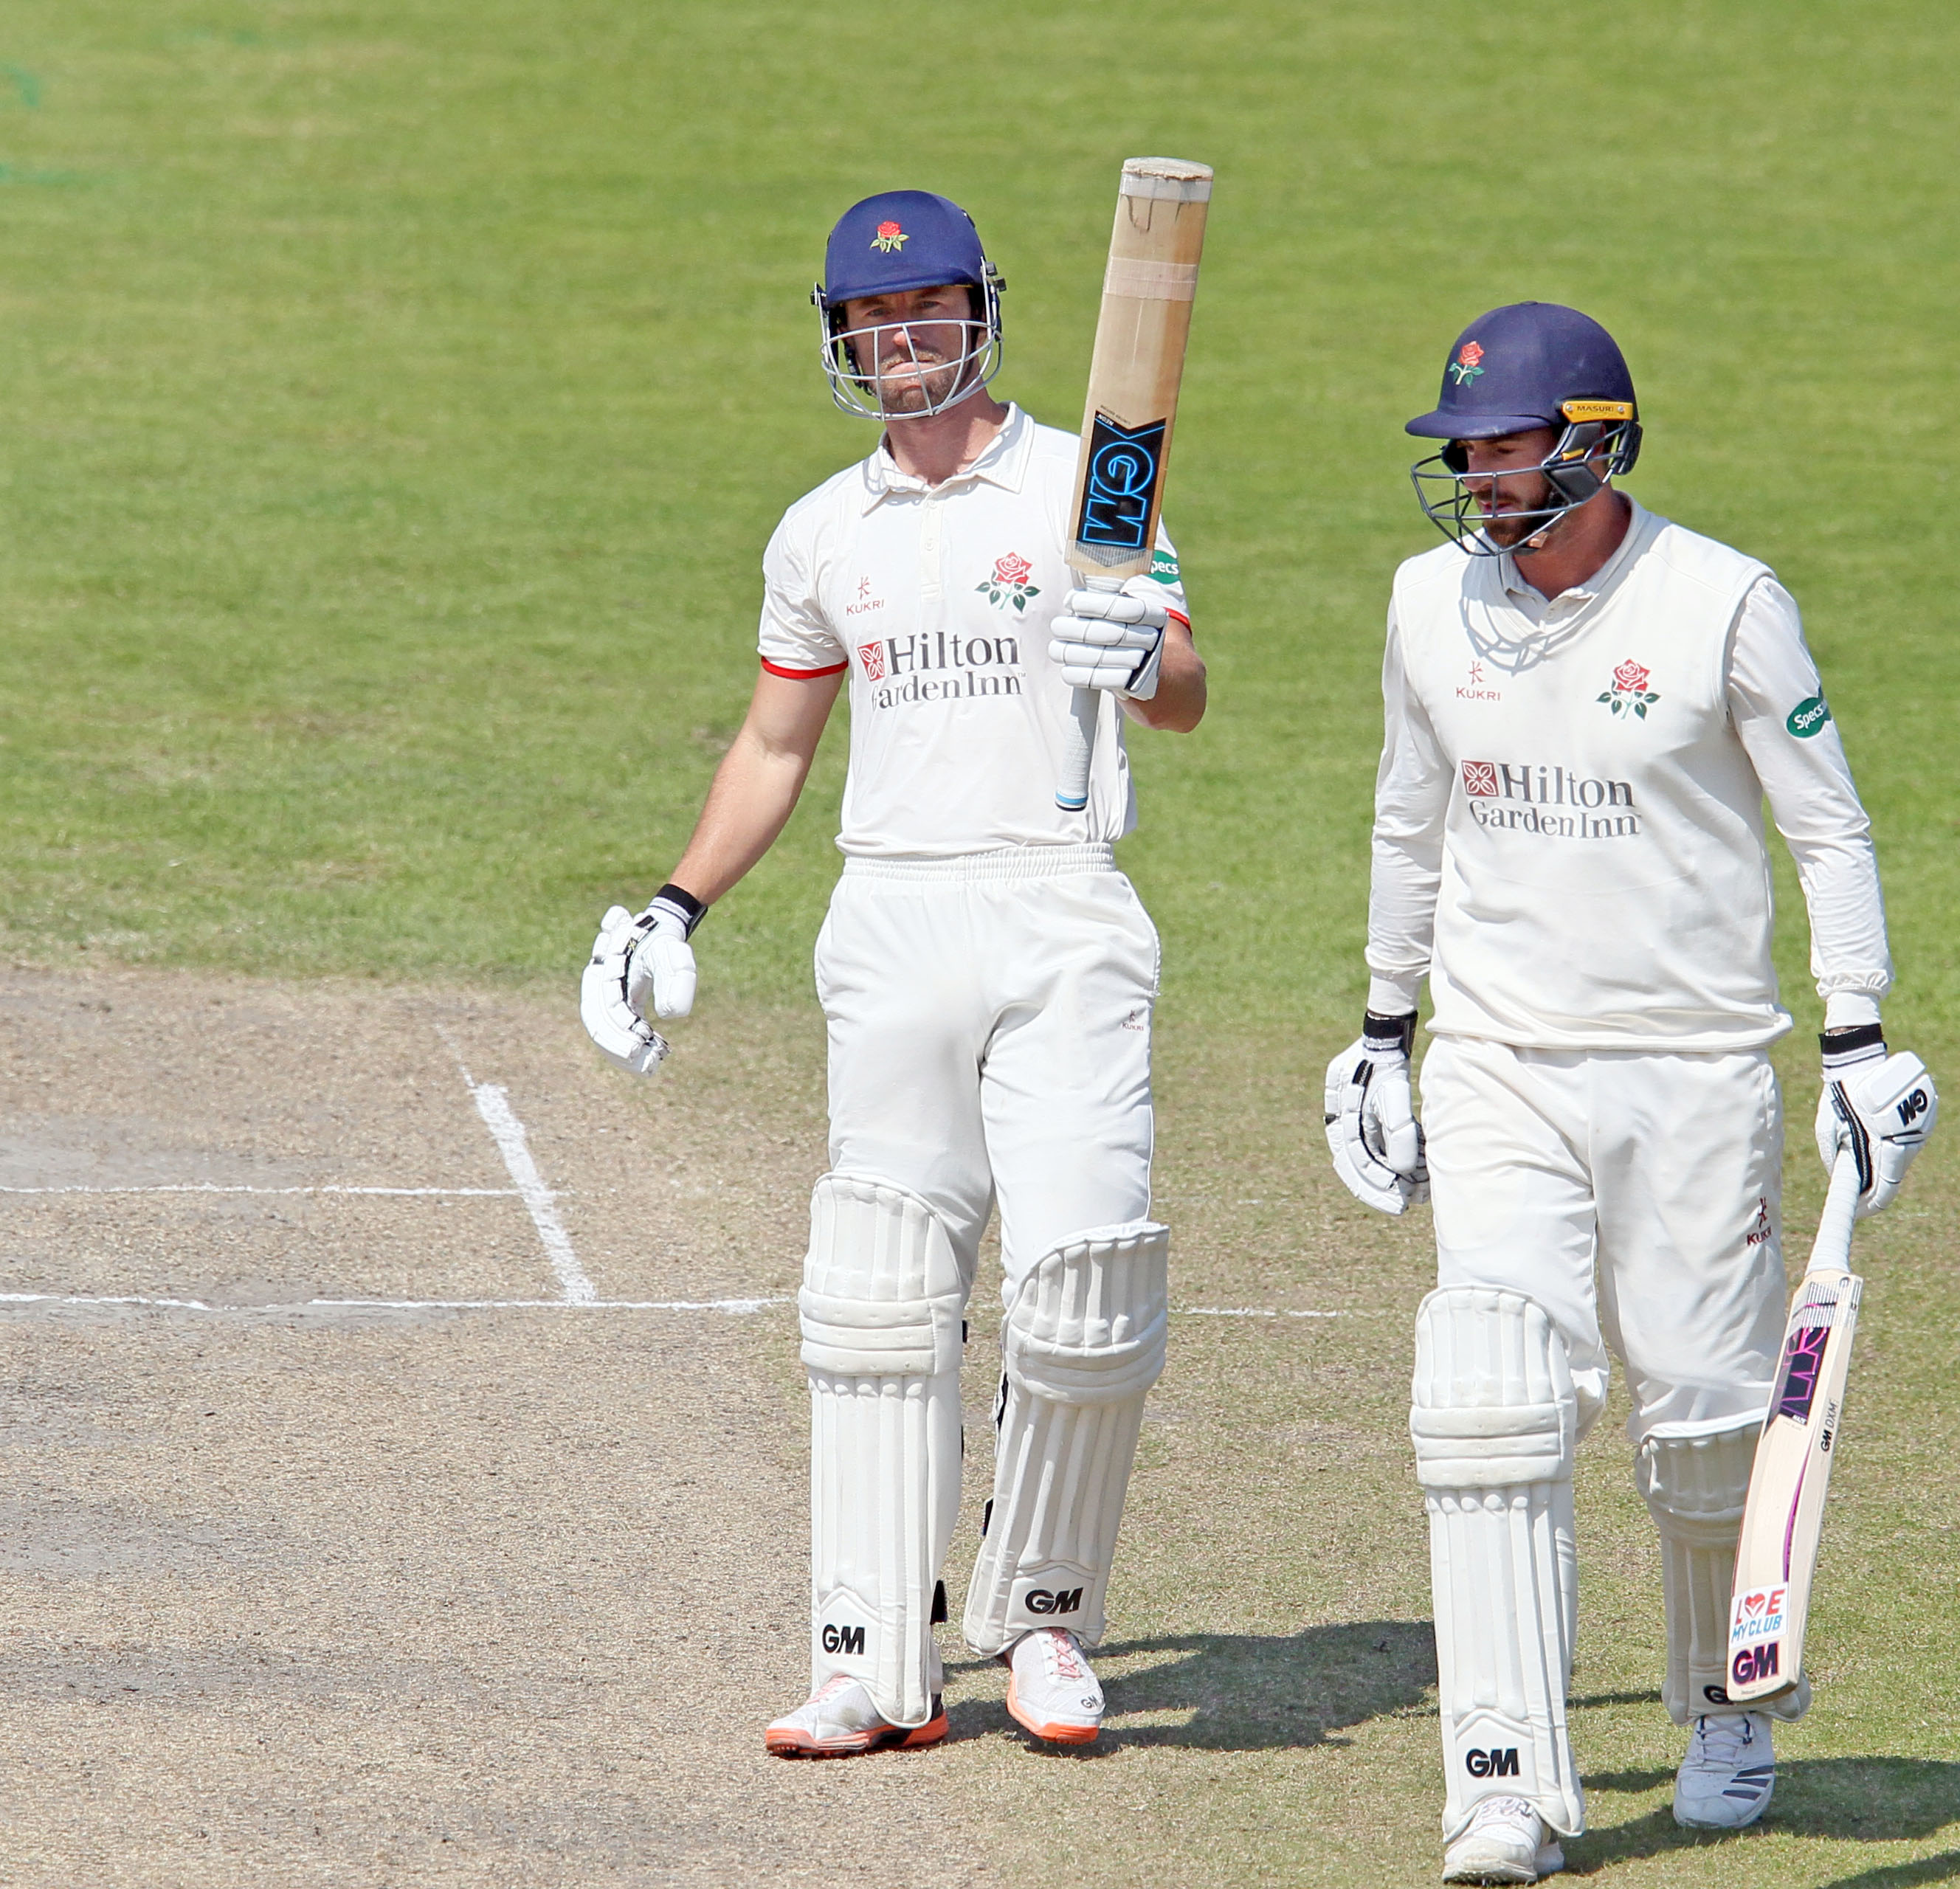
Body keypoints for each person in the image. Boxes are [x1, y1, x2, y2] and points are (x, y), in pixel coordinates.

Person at [580, 190, 1205, 1757]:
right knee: (877, 1295)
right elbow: (773, 742)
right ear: (841, 337)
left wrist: (1145, 656)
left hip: (1060, 904)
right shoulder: (821, 531)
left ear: (977, 314)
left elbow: (1185, 690)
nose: (900, 340)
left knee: (1082, 1278)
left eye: (925, 310)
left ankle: (1045, 1623)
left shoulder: (1086, 477)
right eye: (871, 319)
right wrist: (671, 906)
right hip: (891, 917)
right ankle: (868, 1654)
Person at [1323, 301, 1937, 1882]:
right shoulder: (1423, 602)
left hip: (1691, 1065)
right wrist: (1382, 1029)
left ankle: (1727, 1704)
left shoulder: (1723, 601)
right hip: (1497, 1063)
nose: (1476, 476)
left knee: (1705, 1420)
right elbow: (1406, 818)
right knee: (1493, 1401)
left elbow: (1827, 826)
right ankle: (1504, 1782)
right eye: (1462, 449)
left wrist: (1856, 1037)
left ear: (1592, 445)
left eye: (1505, 447)